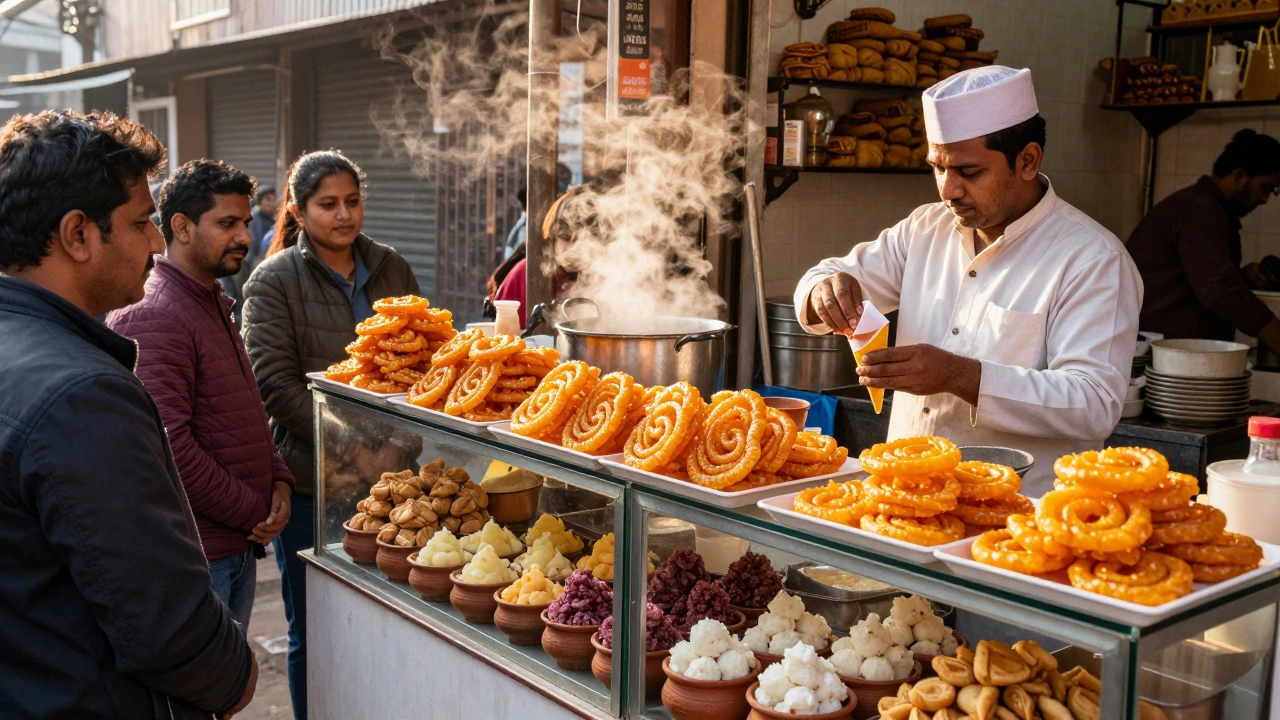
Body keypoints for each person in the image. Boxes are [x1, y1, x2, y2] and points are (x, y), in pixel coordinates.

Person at [0, 110, 256, 717]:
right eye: (141, 222)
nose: (156, 242)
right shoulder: (81, 393)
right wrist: (237, 678)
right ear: (79, 234)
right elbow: (164, 624)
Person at [794, 67, 1142, 495]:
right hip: (906, 497)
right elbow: (824, 277)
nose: (947, 190)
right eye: (937, 168)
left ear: (1028, 161)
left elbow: (1093, 403)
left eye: (969, 172)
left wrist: (959, 376)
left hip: (1017, 518)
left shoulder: (1093, 259)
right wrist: (823, 291)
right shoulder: (924, 228)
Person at [242, 149, 420, 720]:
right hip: (312, 483)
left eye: (352, 201)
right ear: (297, 207)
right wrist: (356, 451)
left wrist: (399, 447)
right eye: (327, 204)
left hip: (397, 488)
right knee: (315, 627)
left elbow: (427, 366)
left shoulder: (390, 265)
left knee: (396, 614)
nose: (343, 215)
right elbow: (274, 384)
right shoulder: (273, 281)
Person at [107, 160, 296, 629]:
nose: (246, 237)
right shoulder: (155, 314)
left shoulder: (209, 300)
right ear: (182, 227)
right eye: (227, 223)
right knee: (204, 698)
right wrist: (256, 511)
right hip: (200, 557)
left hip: (235, 548)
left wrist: (279, 480)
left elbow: (244, 412)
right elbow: (168, 447)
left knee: (223, 696)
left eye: (246, 223)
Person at [1126, 129, 1280, 354]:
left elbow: (1200, 277)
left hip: (1174, 353)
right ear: (1239, 175)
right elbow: (1220, 291)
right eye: (1265, 188)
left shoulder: (1207, 207)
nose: (1265, 199)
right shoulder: (1198, 211)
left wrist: (1240, 275)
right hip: (1162, 354)